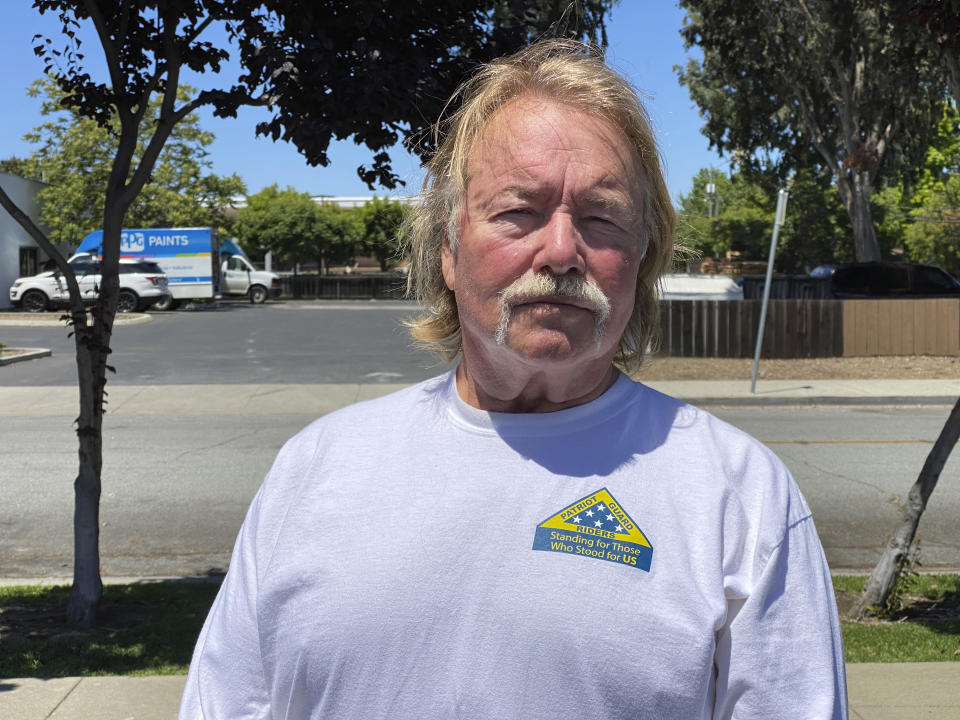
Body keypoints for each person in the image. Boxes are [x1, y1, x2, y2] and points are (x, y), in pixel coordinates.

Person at [180, 39, 847, 719]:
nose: (561, 250)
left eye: (601, 217)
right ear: (448, 246)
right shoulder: (315, 470)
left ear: (642, 254)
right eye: (518, 212)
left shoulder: (740, 497)